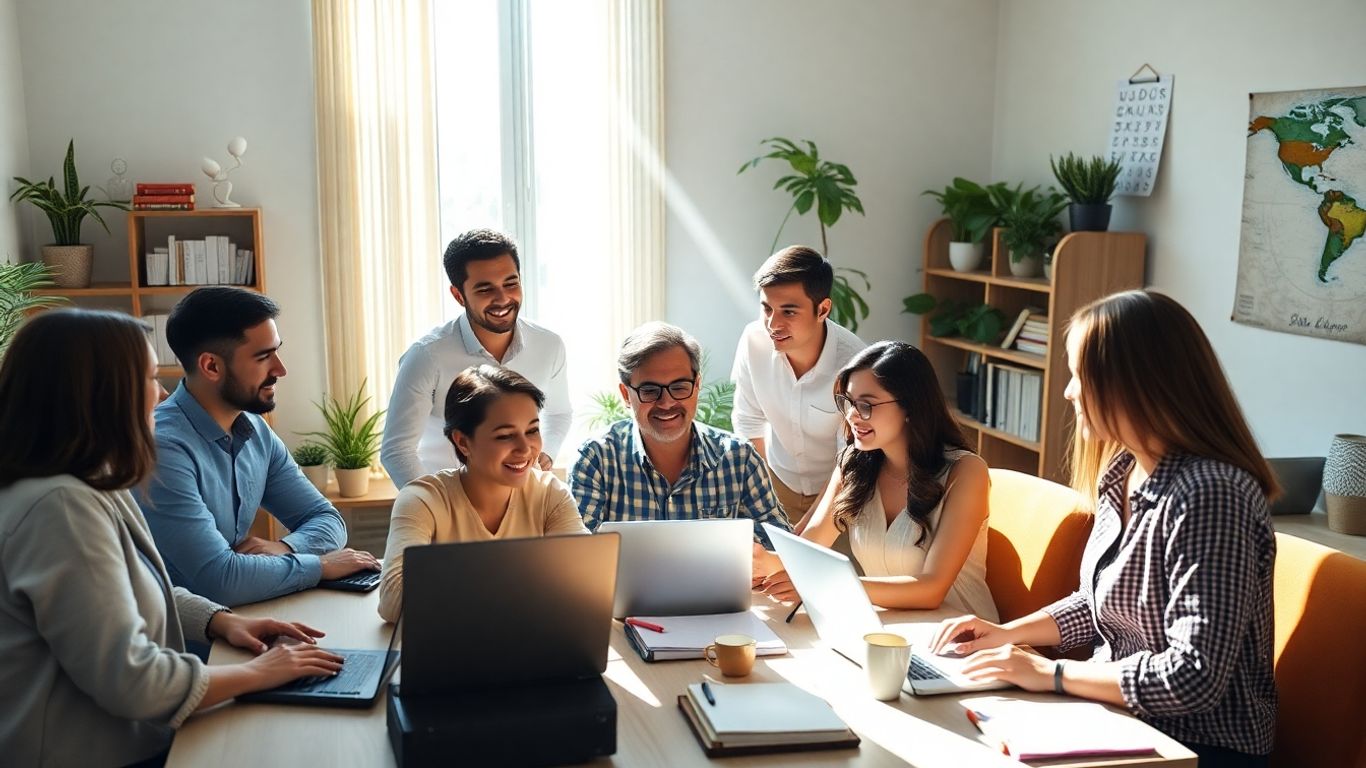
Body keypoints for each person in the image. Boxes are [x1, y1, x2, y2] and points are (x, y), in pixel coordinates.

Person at [931, 290, 1278, 767]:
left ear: (1133, 383)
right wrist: (1005, 634)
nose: (1070, 391)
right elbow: (1101, 604)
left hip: (1194, 747)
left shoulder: (1211, 495)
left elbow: (1193, 677)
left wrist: (1050, 674)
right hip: (1115, 719)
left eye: (1080, 375)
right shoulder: (1124, 473)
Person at [0, 309, 346, 767]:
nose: (161, 393)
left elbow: (135, 587)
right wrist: (257, 672)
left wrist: (221, 621)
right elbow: (133, 681)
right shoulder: (61, 506)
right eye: (147, 378)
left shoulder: (88, 483)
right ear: (101, 395)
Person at [137, 287, 378, 606]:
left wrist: (287, 549)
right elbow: (220, 581)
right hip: (185, 645)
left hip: (248, 621)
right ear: (211, 366)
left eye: (276, 352)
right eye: (263, 357)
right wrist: (320, 565)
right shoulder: (162, 448)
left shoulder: (256, 432)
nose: (280, 369)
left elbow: (326, 519)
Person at [754, 341, 997, 618]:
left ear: (910, 406)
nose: (852, 416)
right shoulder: (853, 464)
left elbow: (932, 589)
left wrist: (823, 585)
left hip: (963, 637)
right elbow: (808, 552)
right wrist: (761, 562)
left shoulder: (965, 472)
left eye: (866, 405)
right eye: (848, 403)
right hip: (888, 630)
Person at [377, 365, 588, 622]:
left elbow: (582, 586)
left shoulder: (551, 494)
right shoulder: (422, 500)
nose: (525, 448)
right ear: (463, 442)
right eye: (505, 436)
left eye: (532, 430)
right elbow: (393, 600)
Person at [570, 321, 791, 548]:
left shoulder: (739, 458)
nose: (667, 403)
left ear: (697, 386)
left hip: (718, 585)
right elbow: (579, 560)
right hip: (625, 586)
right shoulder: (596, 459)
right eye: (649, 391)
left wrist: (765, 559)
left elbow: (783, 552)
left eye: (679, 387)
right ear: (626, 395)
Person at [381, 229, 572, 487]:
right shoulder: (426, 356)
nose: (503, 298)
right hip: (449, 505)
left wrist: (545, 453)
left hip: (524, 503)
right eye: (485, 289)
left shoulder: (549, 345)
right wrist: (438, 509)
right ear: (459, 295)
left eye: (510, 283)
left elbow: (559, 413)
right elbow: (397, 451)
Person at [730, 246, 865, 531]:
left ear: (823, 309)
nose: (773, 324)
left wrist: (804, 532)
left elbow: (850, 461)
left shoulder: (855, 364)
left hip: (839, 492)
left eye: (788, 311)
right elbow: (748, 422)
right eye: (767, 308)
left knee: (826, 572)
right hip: (777, 481)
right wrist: (763, 499)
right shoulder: (753, 341)